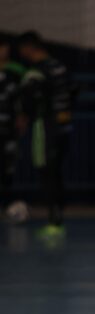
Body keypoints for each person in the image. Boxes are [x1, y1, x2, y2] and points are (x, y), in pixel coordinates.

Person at [16, 31, 75, 236]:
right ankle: (58, 215)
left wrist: (24, 117)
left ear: (29, 48)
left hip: (46, 126)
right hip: (65, 124)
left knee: (46, 170)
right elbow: (73, 91)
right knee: (55, 170)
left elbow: (30, 99)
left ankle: (54, 221)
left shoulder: (36, 72)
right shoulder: (60, 66)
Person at [0, 35, 26, 217]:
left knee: (7, 165)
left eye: (5, 47)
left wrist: (22, 116)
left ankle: (6, 203)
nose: (4, 51)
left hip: (8, 127)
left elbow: (24, 96)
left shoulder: (17, 70)